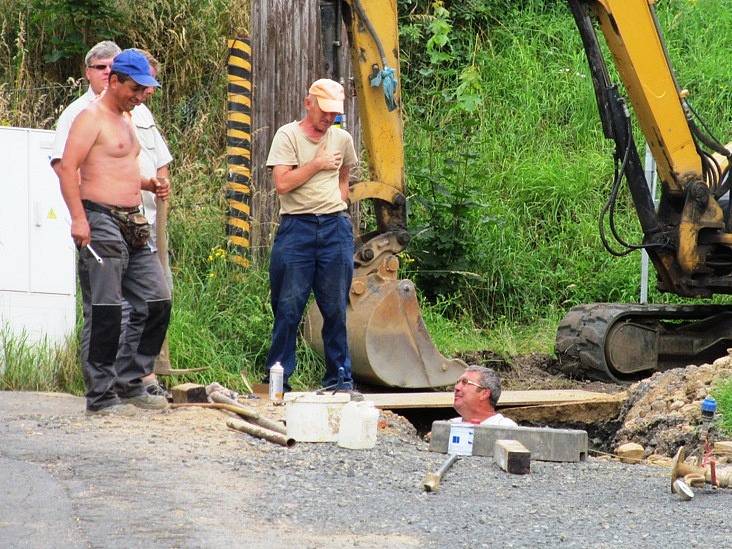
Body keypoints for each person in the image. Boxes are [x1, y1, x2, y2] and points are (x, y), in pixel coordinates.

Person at [51, 42, 173, 399]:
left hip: (134, 221)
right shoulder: (88, 117)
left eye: (144, 89)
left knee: (157, 300)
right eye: (135, 89)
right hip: (100, 217)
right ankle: (101, 391)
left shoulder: (128, 119)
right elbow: (68, 168)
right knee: (107, 309)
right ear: (114, 81)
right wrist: (78, 219)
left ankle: (130, 377)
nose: (141, 96)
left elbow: (116, 169)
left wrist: (148, 183)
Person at [265, 78, 358, 391]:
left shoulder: (342, 139)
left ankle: (340, 380)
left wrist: (338, 202)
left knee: (335, 309)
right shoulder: (287, 135)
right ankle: (279, 380)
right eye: (324, 110)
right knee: (288, 308)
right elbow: (282, 184)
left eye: (334, 112)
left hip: (334, 227)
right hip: (297, 227)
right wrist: (317, 164)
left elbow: (346, 176)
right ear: (309, 103)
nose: (328, 117)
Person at [452, 365, 518, 427]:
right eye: (457, 382)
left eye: (465, 382)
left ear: (484, 393)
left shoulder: (506, 428)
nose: (456, 387)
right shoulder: (449, 425)